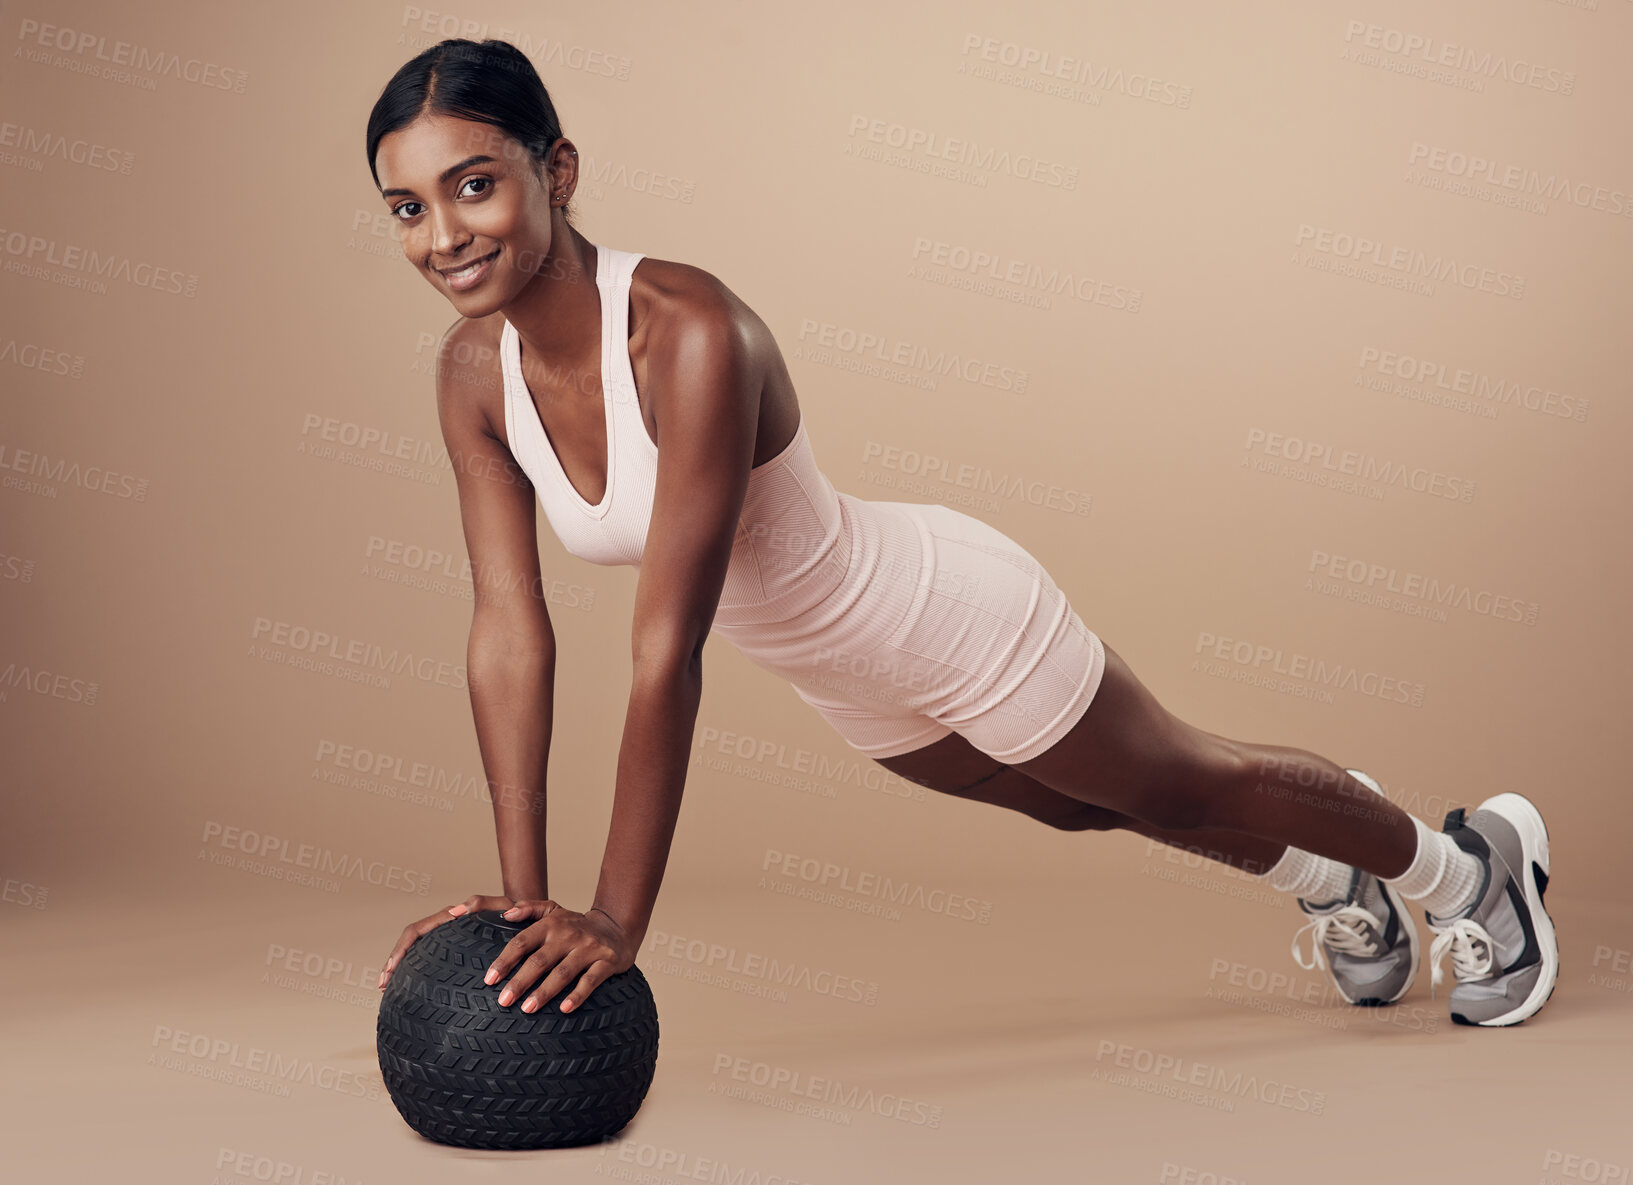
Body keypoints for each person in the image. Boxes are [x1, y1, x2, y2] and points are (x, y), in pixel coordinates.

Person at [369, 38, 1556, 1029]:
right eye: (407, 209)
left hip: (940, 614)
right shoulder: (475, 371)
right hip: (844, 680)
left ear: (557, 167)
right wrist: (523, 907)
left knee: (1182, 787)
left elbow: (662, 647)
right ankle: (1326, 866)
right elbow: (507, 633)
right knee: (1085, 807)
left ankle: (1470, 869)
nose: (443, 236)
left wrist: (616, 919)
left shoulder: (686, 332)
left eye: (476, 185)